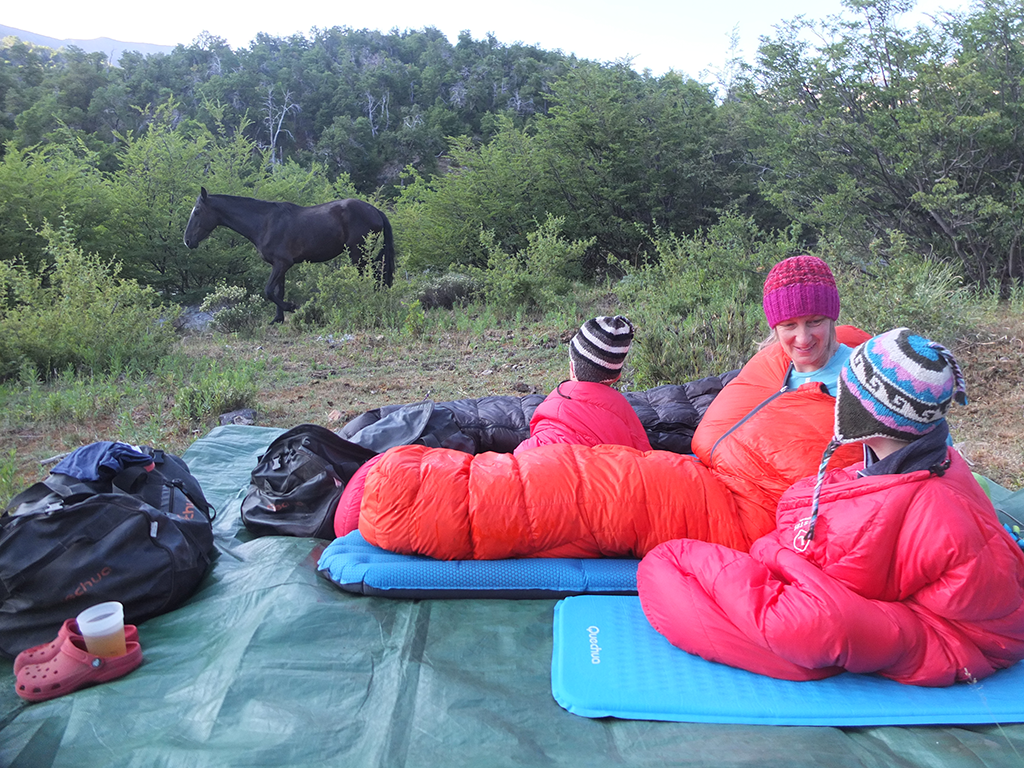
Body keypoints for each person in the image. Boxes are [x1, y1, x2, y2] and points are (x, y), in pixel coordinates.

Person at [346, 256, 871, 559]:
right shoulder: (775, 364)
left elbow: (896, 474)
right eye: (787, 327)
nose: (801, 338)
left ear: (832, 317)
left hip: (748, 514)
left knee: (582, 493)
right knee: (578, 476)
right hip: (704, 474)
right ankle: (404, 485)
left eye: (813, 324)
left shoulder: (868, 383)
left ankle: (406, 496)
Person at [638, 328, 1024, 686]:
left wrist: (776, 554)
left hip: (956, 638)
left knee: (809, 626)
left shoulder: (932, 505)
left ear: (869, 412)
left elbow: (848, 570)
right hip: (920, 610)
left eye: (846, 390)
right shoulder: (895, 463)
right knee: (680, 563)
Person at [513, 316, 652, 456]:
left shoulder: (548, 420)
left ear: (572, 367)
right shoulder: (628, 418)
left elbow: (522, 463)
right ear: (617, 377)